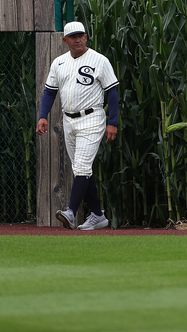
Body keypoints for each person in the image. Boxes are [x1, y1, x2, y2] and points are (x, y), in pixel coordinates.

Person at [36, 21, 119, 231]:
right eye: (73, 37)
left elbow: (112, 92)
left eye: (81, 35)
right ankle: (98, 216)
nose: (78, 39)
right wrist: (43, 116)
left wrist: (113, 122)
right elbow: (49, 91)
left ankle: (71, 213)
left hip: (92, 117)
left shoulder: (99, 60)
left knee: (81, 166)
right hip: (68, 119)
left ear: (86, 37)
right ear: (65, 40)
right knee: (82, 168)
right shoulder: (59, 63)